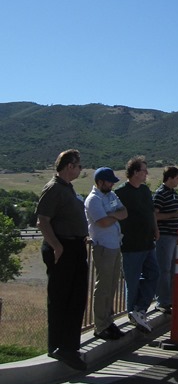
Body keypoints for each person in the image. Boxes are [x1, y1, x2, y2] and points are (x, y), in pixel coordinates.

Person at [36, 149, 88, 370]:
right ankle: (59, 346)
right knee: (61, 297)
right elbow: (42, 221)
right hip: (63, 247)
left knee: (76, 297)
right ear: (69, 166)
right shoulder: (54, 188)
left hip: (75, 246)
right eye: (78, 166)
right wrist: (57, 246)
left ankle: (70, 345)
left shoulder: (67, 187)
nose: (80, 169)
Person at [116, 156, 160, 333]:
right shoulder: (121, 193)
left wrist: (155, 229)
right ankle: (132, 313)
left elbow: (151, 213)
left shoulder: (145, 191)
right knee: (132, 280)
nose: (146, 174)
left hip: (147, 242)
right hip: (131, 244)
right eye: (143, 170)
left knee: (153, 273)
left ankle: (140, 308)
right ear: (134, 172)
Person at [84, 167, 128, 341]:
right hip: (103, 247)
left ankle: (109, 321)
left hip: (115, 244)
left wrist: (113, 215)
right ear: (100, 182)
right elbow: (102, 222)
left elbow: (124, 212)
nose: (111, 184)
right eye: (109, 181)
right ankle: (100, 325)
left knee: (112, 285)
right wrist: (114, 216)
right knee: (103, 287)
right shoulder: (93, 200)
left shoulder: (111, 195)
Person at [153, 166, 178, 312]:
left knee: (174, 269)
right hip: (165, 236)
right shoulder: (160, 194)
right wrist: (175, 215)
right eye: (177, 178)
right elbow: (155, 215)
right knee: (165, 269)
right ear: (170, 178)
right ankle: (162, 300)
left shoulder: (173, 193)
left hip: (174, 235)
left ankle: (172, 298)